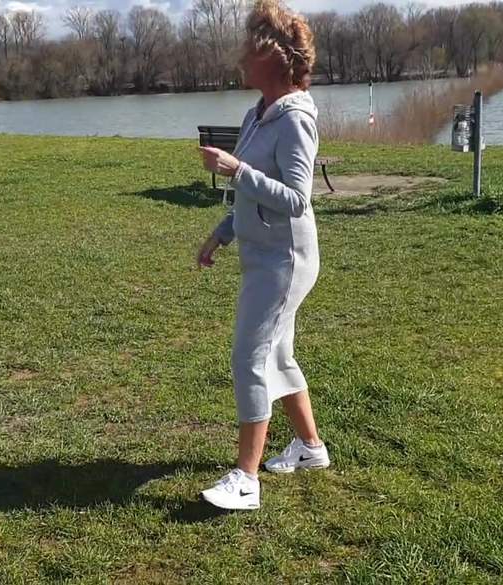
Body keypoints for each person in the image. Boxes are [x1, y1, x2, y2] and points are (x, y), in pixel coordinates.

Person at [196, 0, 328, 511]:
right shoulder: (257, 114)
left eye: (248, 52)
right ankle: (310, 448)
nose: (240, 61)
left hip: (285, 261)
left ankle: (246, 479)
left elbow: (296, 198)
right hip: (261, 254)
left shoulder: (295, 121)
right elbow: (253, 194)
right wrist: (223, 231)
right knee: (277, 354)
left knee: (249, 357)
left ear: (274, 59)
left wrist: (236, 170)